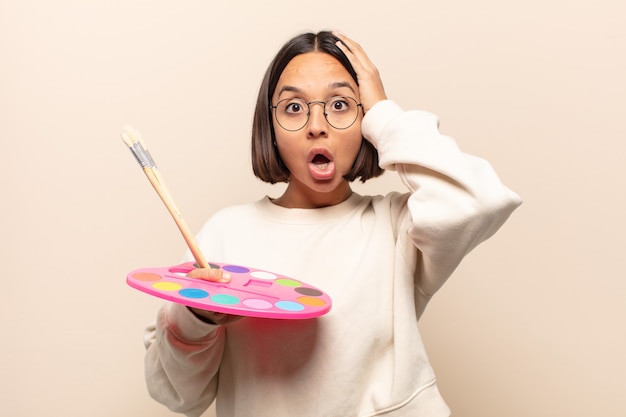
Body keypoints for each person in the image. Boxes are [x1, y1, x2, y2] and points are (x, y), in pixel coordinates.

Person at [143, 30, 522, 417]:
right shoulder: (226, 233)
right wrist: (196, 319)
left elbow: (481, 200)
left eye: (340, 104)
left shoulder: (397, 227)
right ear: (269, 128)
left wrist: (384, 114)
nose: (317, 125)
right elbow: (180, 396)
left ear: (365, 121)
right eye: (293, 108)